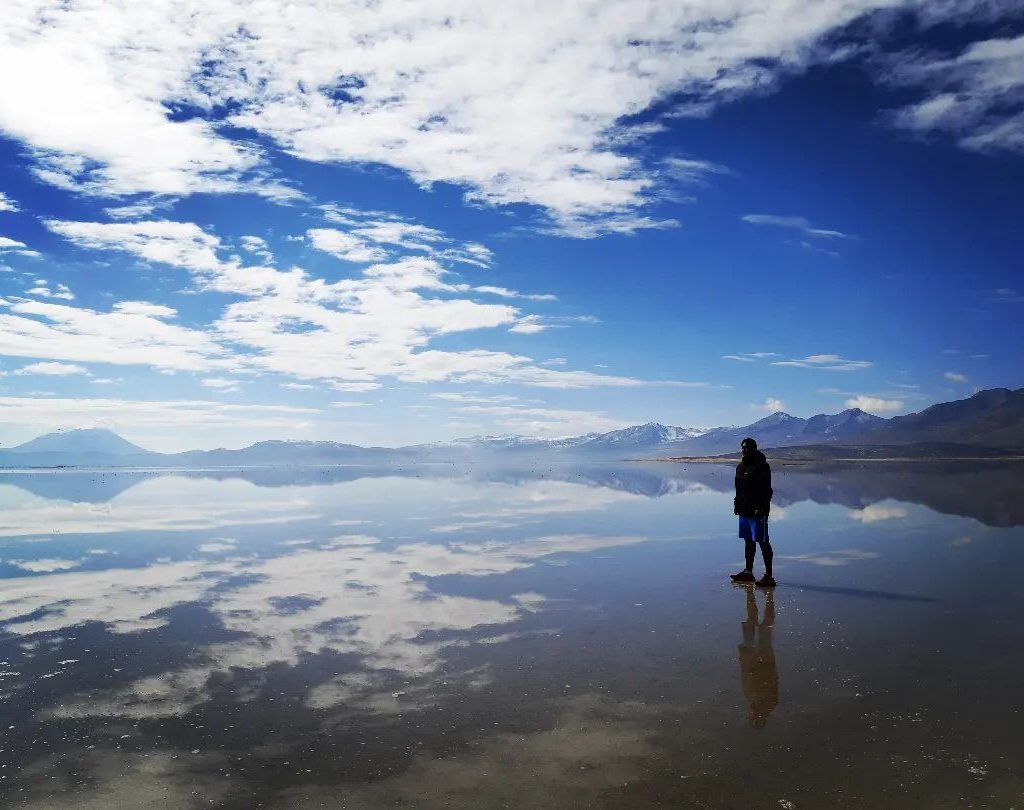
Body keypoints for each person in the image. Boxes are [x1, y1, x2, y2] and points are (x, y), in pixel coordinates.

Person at [730, 437, 775, 587]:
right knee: (748, 541)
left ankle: (769, 576)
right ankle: (748, 572)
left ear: (755, 448)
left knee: (762, 541)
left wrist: (761, 508)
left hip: (758, 511)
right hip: (744, 510)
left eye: (748, 447)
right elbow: (739, 488)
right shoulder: (740, 467)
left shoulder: (762, 466)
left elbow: (767, 490)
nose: (745, 450)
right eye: (743, 447)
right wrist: (737, 504)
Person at [736, 583, 778, 729]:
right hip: (763, 662)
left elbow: (746, 679)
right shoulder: (769, 703)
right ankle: (767, 597)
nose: (752, 714)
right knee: (763, 626)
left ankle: (757, 595)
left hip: (753, 661)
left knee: (753, 623)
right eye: (754, 717)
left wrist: (743, 660)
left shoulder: (752, 700)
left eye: (752, 717)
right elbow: (772, 679)